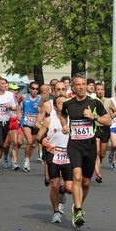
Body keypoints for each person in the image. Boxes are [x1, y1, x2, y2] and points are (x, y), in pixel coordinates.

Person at [59, 74, 111, 228]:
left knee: (86, 182)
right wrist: (64, 125)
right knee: (76, 176)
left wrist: (93, 116)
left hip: (90, 146)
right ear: (73, 88)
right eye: (78, 85)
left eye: (84, 84)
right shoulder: (68, 103)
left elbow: (108, 120)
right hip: (74, 145)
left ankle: (77, 205)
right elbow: (62, 116)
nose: (81, 87)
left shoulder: (95, 102)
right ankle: (79, 210)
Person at [36, 95, 73, 223]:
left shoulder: (73, 120)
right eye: (60, 103)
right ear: (55, 106)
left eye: (65, 103)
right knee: (55, 185)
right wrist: (43, 139)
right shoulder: (49, 120)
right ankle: (56, 212)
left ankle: (62, 193)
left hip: (68, 156)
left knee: (69, 188)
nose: (62, 105)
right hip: (53, 154)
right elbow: (39, 136)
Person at [94, 82, 116, 183]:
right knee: (97, 152)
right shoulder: (93, 101)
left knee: (102, 154)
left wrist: (111, 116)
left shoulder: (108, 100)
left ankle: (100, 161)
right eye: (98, 89)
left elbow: (115, 111)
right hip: (96, 128)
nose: (99, 91)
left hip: (105, 128)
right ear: (95, 91)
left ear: (104, 90)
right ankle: (98, 173)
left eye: (101, 89)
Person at [19, 82, 41, 172]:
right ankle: (27, 160)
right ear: (30, 89)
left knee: (31, 144)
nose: (35, 90)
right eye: (33, 88)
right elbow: (16, 104)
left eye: (36, 89)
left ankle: (27, 159)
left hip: (36, 123)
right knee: (29, 141)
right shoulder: (24, 97)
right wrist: (18, 114)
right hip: (26, 122)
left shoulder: (40, 98)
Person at [2, 84, 22, 170]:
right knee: (6, 144)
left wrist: (20, 117)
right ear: (9, 90)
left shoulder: (18, 99)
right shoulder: (4, 98)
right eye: (14, 90)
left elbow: (19, 110)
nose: (16, 91)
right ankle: (6, 158)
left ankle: (15, 162)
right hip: (6, 121)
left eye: (17, 90)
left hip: (15, 122)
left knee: (16, 142)